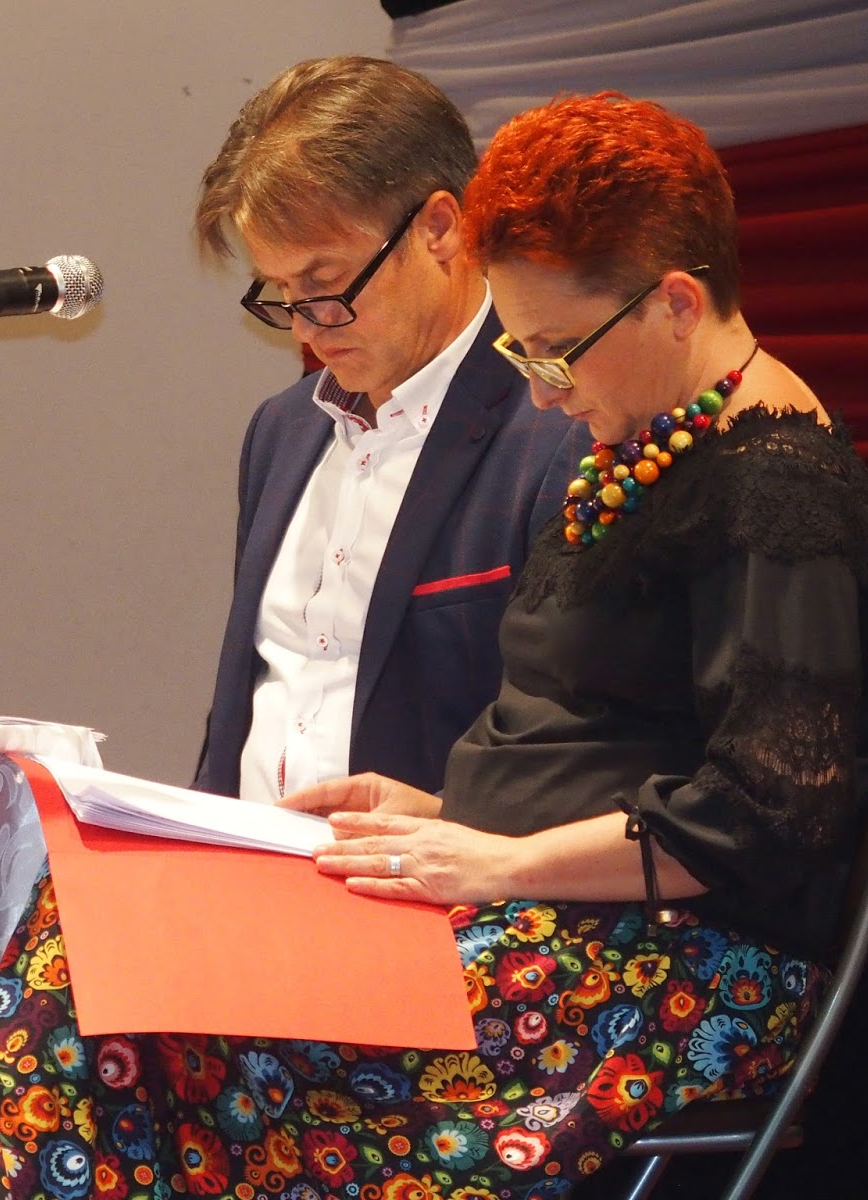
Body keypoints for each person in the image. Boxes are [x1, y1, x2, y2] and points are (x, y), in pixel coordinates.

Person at [0, 95, 868, 1198]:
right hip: (547, 915)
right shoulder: (660, 433)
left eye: (556, 351)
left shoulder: (776, 484)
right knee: (90, 951)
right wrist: (441, 810)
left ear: (674, 304)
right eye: (523, 350)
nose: (541, 390)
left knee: (147, 1016)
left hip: (662, 970)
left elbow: (764, 820)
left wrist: (497, 859)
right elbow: (615, 740)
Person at [189, 57, 587, 803]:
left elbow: (578, 756)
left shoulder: (560, 423)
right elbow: (256, 693)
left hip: (430, 869)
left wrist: (451, 826)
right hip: (246, 857)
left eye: (324, 283)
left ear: (439, 227)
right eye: (281, 292)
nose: (306, 328)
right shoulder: (281, 430)